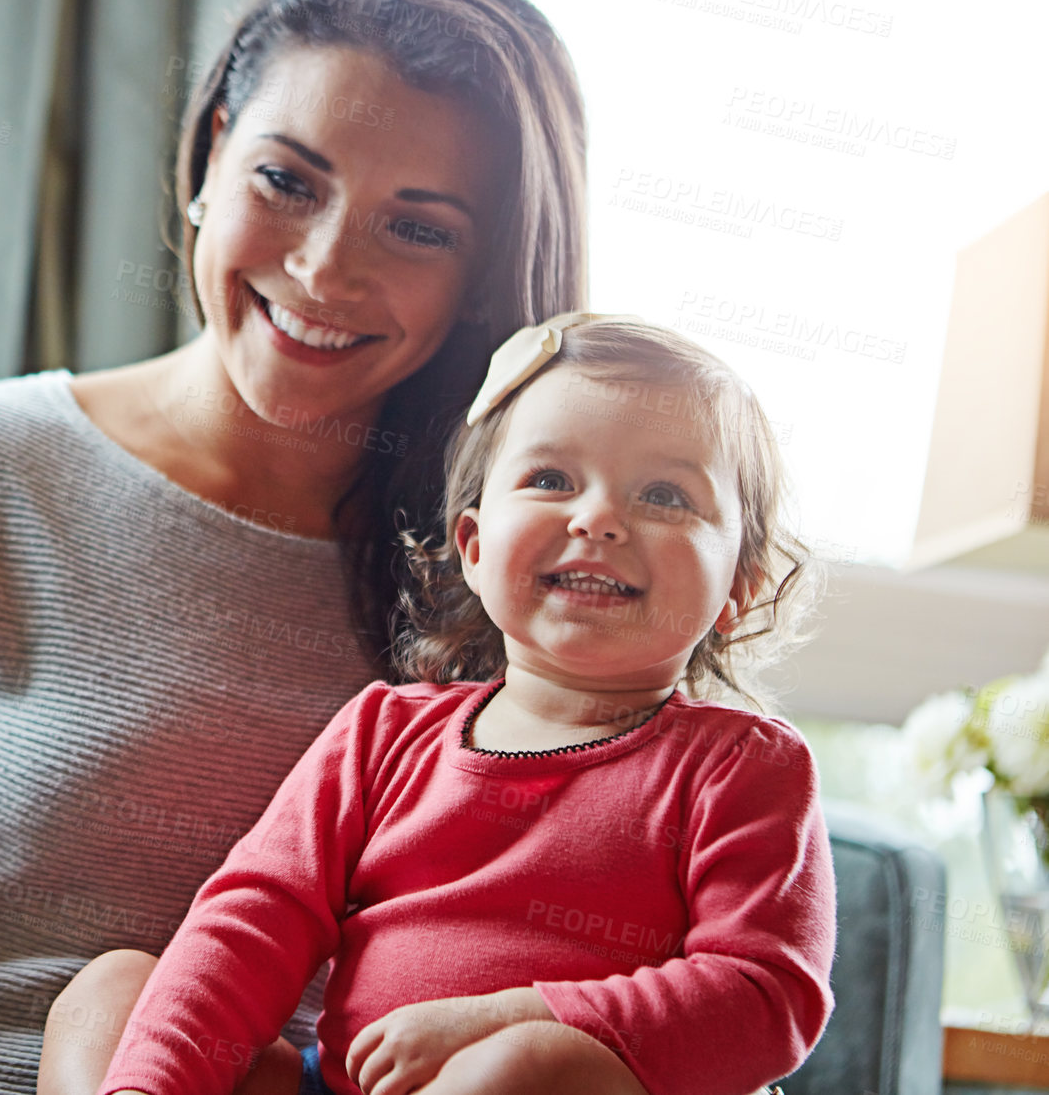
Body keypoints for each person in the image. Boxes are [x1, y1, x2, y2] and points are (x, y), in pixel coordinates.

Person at [0, 0, 588, 1092]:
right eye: (287, 180)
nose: (324, 267)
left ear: (483, 273)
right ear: (212, 149)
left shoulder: (515, 588)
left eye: (417, 228)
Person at [40, 315, 834, 1095]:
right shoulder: (382, 732)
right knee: (110, 997)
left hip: (557, 1079)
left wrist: (513, 1020)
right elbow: (257, 917)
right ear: (476, 547)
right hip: (341, 1082)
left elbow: (767, 995)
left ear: (739, 588)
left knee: (529, 1067)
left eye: (665, 495)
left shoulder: (744, 768)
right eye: (551, 480)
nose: (598, 519)